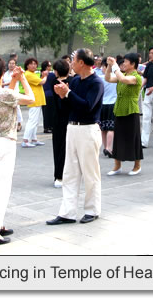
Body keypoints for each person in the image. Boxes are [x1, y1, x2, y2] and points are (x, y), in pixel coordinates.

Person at [0, 57, 35, 245]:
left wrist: (14, 79)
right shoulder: (4, 94)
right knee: (2, 187)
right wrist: (22, 79)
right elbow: (30, 98)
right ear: (2, 72)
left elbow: (7, 96)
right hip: (5, 142)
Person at [47, 48, 104, 225]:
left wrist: (68, 94)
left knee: (90, 172)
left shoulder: (96, 83)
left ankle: (92, 209)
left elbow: (87, 106)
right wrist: (62, 96)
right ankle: (67, 212)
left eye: (74, 60)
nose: (71, 64)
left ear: (81, 63)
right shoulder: (77, 81)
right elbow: (70, 107)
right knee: (69, 172)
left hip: (88, 129)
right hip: (72, 128)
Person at [104, 53, 144, 176]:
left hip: (131, 110)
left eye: (125, 62)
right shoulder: (123, 74)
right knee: (118, 138)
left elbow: (123, 80)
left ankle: (137, 165)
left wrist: (115, 65)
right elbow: (108, 79)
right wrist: (110, 66)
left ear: (133, 64)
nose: (123, 64)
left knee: (133, 138)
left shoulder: (136, 77)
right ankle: (117, 165)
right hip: (119, 109)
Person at [50, 59, 73, 188]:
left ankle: (59, 176)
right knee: (68, 148)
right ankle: (65, 175)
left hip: (59, 119)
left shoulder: (54, 82)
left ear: (57, 71)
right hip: (70, 119)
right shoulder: (72, 82)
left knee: (59, 148)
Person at [21, 57, 47, 148]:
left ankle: (33, 138)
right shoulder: (28, 74)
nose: (33, 65)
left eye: (35, 64)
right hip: (34, 100)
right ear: (27, 65)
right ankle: (25, 139)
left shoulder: (32, 74)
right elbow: (42, 82)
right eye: (31, 64)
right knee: (32, 121)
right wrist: (45, 76)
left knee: (35, 121)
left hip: (37, 99)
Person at [98, 58, 117, 158]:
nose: (101, 68)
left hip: (103, 104)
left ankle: (105, 147)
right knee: (111, 127)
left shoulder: (100, 78)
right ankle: (109, 148)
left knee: (103, 128)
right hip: (113, 103)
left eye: (102, 66)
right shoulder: (116, 77)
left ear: (106, 67)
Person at [2, 58, 23, 132]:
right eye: (10, 63)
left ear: (15, 64)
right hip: (6, 92)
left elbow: (12, 81)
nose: (11, 65)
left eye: (13, 63)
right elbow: (3, 80)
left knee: (17, 107)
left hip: (14, 91)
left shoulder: (16, 72)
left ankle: (19, 123)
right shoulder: (6, 73)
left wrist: (3, 84)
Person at [41, 60, 55, 134]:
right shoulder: (51, 75)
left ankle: (46, 126)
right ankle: (50, 126)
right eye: (49, 66)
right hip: (50, 95)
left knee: (45, 112)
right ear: (47, 67)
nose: (50, 67)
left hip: (44, 94)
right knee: (51, 112)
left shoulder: (42, 74)